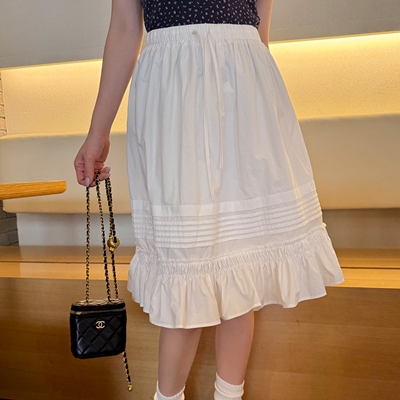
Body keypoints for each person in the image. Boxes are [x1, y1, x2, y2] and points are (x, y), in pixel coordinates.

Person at [74, 0, 344, 399]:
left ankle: (228, 395)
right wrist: (97, 133)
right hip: (172, 94)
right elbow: (125, 30)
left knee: (240, 260)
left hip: (244, 89)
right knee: (186, 262)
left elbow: (258, 30)